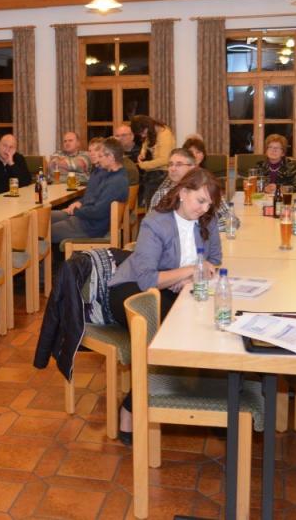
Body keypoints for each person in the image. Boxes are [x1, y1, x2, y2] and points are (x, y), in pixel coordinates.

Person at [108, 167, 223, 443]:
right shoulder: (156, 223)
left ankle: (216, 401)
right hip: (133, 291)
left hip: (171, 288)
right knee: (169, 332)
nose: (205, 209)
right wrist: (188, 272)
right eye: (200, 201)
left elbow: (215, 259)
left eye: (209, 204)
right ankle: (130, 407)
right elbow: (148, 278)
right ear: (182, 193)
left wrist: (190, 277)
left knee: (210, 324)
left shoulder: (207, 219)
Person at [50, 138, 130, 247]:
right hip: (87, 221)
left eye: (101, 156)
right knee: (45, 221)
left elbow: (98, 212)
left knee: (44, 231)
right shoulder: (111, 175)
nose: (99, 159)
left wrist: (76, 211)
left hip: (90, 228)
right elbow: (94, 199)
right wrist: (79, 206)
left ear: (111, 157)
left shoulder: (116, 182)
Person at [130, 115, 176, 205]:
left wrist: (144, 165)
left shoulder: (165, 135)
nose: (143, 135)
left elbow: (165, 159)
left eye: (142, 132)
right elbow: (146, 143)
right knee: (149, 202)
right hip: (154, 173)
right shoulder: (152, 132)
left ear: (147, 126)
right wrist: (142, 153)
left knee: (154, 204)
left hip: (162, 174)